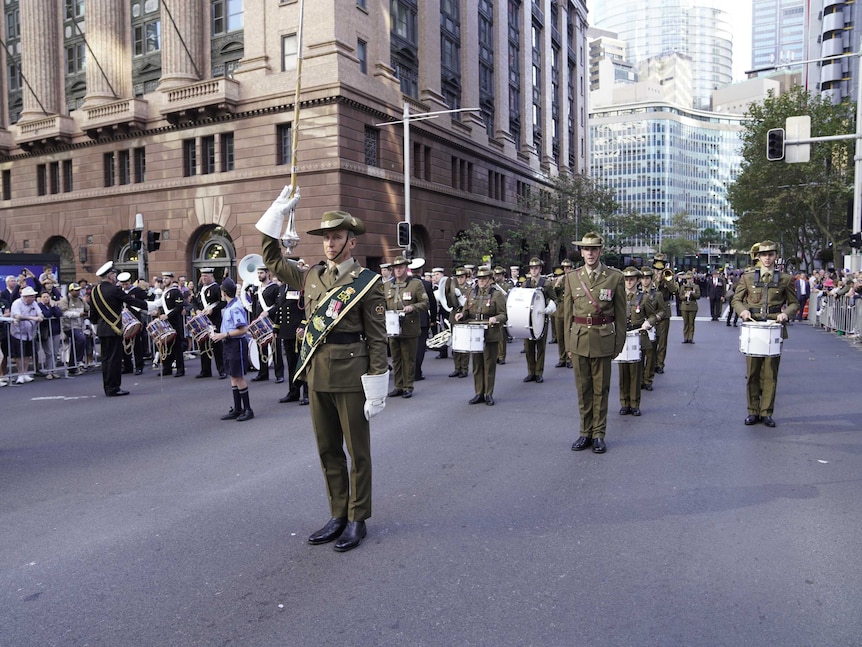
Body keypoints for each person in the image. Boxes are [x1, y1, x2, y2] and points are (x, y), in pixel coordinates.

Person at [259, 201, 389, 553]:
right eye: (326, 238)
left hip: (351, 373)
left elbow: (377, 337)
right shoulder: (311, 275)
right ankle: (337, 514)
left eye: (336, 237)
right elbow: (271, 259)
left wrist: (378, 383)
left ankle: (357, 517)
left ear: (351, 241)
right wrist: (277, 214)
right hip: (317, 373)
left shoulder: (367, 282)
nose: (330, 244)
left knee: (357, 452)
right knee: (327, 449)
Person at [562, 232, 626, 454]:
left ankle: (599, 434)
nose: (590, 253)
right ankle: (584, 432)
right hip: (579, 340)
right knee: (583, 389)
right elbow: (567, 315)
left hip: (603, 339)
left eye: (594, 249)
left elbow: (620, 314)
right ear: (581, 252)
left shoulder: (614, 277)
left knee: (601, 390)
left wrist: (619, 344)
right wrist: (568, 346)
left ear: (600, 251)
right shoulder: (572, 277)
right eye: (586, 249)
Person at [731, 240, 799, 427]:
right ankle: (753, 410)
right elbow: (736, 300)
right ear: (758, 257)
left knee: (770, 374)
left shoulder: (785, 279)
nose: (767, 258)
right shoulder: (748, 277)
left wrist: (786, 314)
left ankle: (766, 411)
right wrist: (743, 311)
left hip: (773, 328)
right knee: (752, 373)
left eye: (771, 254)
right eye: (764, 255)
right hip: (753, 328)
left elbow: (794, 303)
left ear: (775, 256)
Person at [89, 262, 147, 396]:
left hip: (102, 330)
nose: (115, 277)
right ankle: (114, 387)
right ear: (110, 276)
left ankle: (107, 387)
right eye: (114, 275)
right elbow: (131, 301)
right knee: (115, 359)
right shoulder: (115, 290)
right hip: (114, 329)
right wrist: (148, 305)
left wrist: (95, 324)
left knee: (105, 360)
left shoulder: (94, 291)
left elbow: (92, 314)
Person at [454, 266, 507, 405]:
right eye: (479, 279)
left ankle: (488, 393)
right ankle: (479, 393)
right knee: (477, 365)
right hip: (474, 332)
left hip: (490, 332)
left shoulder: (497, 294)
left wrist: (496, 319)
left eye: (484, 279)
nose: (481, 282)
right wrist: (461, 314)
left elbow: (504, 315)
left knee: (489, 364)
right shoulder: (472, 293)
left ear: (490, 280)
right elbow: (466, 310)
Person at [210, 278, 255, 422]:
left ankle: (248, 409)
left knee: (238, 377)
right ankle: (237, 408)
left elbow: (243, 329)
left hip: (236, 344)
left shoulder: (235, 307)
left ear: (223, 292)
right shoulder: (229, 306)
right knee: (232, 376)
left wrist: (224, 334)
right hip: (228, 343)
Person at [384, 256, 429, 399]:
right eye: (396, 268)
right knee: (396, 359)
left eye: (401, 267)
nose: (398, 270)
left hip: (409, 326)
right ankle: (398, 386)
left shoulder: (415, 284)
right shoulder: (387, 285)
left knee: (408, 358)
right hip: (392, 327)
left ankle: (408, 386)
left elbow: (425, 302)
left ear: (406, 268)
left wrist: (412, 307)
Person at [618, 267, 659, 416]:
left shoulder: (644, 298)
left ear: (637, 280)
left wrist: (648, 323)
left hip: (637, 335)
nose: (629, 282)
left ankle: (634, 403)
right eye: (626, 279)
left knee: (635, 372)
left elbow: (653, 316)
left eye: (632, 279)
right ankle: (624, 402)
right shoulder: (619, 297)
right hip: (622, 336)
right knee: (623, 372)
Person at [274, 272, 309, 405]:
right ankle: (293, 392)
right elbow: (279, 309)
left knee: (303, 363)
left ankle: (307, 393)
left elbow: (307, 309)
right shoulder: (282, 288)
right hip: (286, 332)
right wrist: (276, 328)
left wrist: (303, 325)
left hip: (298, 332)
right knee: (291, 364)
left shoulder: (301, 287)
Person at [521, 257, 556, 383]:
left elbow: (554, 299)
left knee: (540, 347)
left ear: (540, 269)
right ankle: (531, 372)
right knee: (528, 347)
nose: (533, 270)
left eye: (536, 268)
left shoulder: (546, 284)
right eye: (531, 268)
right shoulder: (525, 284)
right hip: (528, 319)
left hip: (541, 318)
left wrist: (550, 306)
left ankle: (539, 372)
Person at [194, 268, 226, 379]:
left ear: (211, 276)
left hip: (214, 321)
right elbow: (195, 302)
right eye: (202, 276)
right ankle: (205, 370)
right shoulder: (200, 289)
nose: (203, 278)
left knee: (217, 346)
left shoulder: (216, 288)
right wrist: (197, 310)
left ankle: (222, 370)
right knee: (203, 345)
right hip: (202, 322)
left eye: (206, 276)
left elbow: (223, 302)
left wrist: (213, 310)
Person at [251, 265, 281, 382]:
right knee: (261, 348)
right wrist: (254, 321)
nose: (259, 275)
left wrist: (268, 312)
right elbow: (254, 306)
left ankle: (279, 374)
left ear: (268, 273)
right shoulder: (256, 289)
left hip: (272, 322)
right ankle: (263, 373)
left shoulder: (274, 288)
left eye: (261, 273)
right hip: (260, 323)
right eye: (258, 273)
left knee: (275, 349)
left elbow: (278, 305)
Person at [638, 267, 666, 392]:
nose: (645, 281)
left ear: (651, 279)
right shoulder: (636, 294)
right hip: (638, 328)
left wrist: (653, 320)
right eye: (643, 278)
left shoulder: (657, 294)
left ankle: (648, 379)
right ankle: (639, 380)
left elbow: (662, 311)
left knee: (650, 356)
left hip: (651, 328)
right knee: (638, 356)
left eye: (647, 278)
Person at [9, 286, 43, 383]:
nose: (33, 298)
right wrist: (33, 318)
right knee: (19, 355)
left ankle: (25, 372)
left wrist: (40, 316)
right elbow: (17, 315)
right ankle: (20, 374)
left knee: (28, 354)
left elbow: (40, 313)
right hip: (18, 333)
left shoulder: (34, 303)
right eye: (31, 296)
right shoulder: (17, 303)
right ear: (25, 297)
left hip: (30, 333)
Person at [651, 253, 677, 375]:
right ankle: (650, 363)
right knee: (651, 340)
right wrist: (656, 279)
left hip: (664, 310)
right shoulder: (650, 274)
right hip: (651, 309)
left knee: (662, 340)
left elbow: (674, 290)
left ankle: (659, 364)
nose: (659, 268)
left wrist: (665, 280)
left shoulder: (669, 274)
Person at [118, 272, 148, 375]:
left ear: (130, 282)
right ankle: (127, 366)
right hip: (123, 320)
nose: (125, 286)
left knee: (136, 343)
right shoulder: (118, 292)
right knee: (124, 343)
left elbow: (145, 301)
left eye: (126, 284)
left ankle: (139, 366)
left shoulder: (137, 291)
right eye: (123, 284)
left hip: (136, 318)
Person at [411, 258, 436, 382]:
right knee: (420, 347)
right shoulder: (426, 284)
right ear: (421, 271)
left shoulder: (407, 283)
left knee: (409, 346)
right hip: (422, 320)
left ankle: (410, 371)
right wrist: (433, 319)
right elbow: (432, 303)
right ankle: (417, 371)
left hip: (409, 320)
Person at [57, 282, 90, 373]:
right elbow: (64, 313)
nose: (78, 292)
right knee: (81, 339)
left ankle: (72, 366)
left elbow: (88, 309)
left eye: (79, 290)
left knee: (77, 343)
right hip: (68, 326)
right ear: (70, 291)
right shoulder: (65, 300)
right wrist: (78, 314)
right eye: (76, 291)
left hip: (79, 326)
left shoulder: (81, 300)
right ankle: (78, 361)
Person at [159, 274, 186, 377]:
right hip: (165, 322)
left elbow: (179, 307)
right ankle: (167, 368)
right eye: (164, 278)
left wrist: (168, 315)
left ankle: (180, 369)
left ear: (171, 279)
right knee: (166, 344)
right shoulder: (163, 293)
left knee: (177, 346)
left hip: (175, 322)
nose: (164, 280)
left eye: (166, 278)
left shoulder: (176, 292)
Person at [447, 267, 470, 378]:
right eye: (458, 277)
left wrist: (460, 296)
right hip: (454, 318)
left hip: (464, 318)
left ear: (466, 277)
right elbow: (449, 304)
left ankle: (464, 368)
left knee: (464, 344)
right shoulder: (452, 288)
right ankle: (457, 368)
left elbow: (469, 304)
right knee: (455, 344)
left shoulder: (469, 289)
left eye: (462, 277)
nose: (460, 279)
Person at [552, 259, 574, 368]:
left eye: (568, 268)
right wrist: (556, 284)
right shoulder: (559, 279)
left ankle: (569, 359)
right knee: (560, 335)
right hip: (560, 309)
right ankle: (562, 358)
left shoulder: (575, 279)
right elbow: (553, 295)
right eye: (564, 268)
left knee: (568, 335)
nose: (566, 270)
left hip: (570, 309)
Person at [37, 289, 63, 379]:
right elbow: (46, 314)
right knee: (49, 352)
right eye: (44, 297)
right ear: (41, 298)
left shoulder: (54, 305)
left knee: (55, 352)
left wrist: (53, 307)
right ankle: (49, 371)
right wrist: (52, 309)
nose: (46, 299)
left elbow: (59, 314)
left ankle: (54, 371)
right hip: (46, 332)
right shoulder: (40, 306)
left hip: (56, 331)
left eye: (47, 297)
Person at [679, 272, 700, 343]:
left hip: (693, 306)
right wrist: (685, 296)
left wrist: (692, 294)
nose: (689, 280)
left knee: (691, 323)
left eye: (690, 278)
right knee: (685, 323)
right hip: (684, 306)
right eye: (687, 279)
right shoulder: (683, 287)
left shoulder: (696, 286)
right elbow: (680, 296)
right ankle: (685, 337)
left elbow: (698, 296)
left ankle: (690, 337)